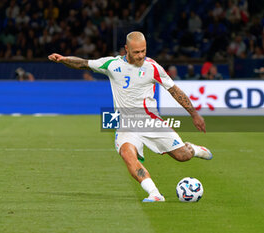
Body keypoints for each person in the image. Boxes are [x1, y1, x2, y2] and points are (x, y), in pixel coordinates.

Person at [48, 31, 212, 202]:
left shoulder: (153, 67)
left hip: (151, 121)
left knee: (182, 156)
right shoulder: (112, 64)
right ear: (126, 49)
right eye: (136, 52)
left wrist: (194, 114)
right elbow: (84, 64)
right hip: (125, 124)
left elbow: (174, 90)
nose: (141, 56)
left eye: (143, 51)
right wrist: (64, 59)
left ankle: (195, 149)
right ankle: (155, 193)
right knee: (127, 154)